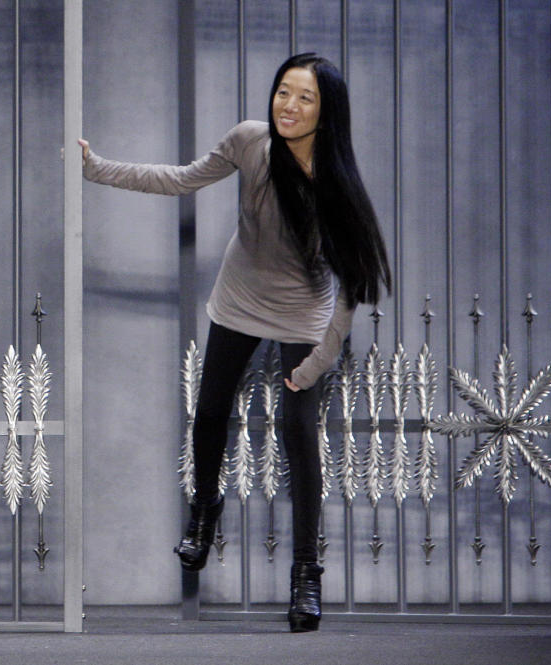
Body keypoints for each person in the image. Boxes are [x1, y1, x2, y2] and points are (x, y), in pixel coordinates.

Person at [78, 53, 391, 632]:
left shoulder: (336, 185)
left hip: (305, 314)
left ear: (328, 114)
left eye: (306, 99)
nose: (289, 107)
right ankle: (205, 509)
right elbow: (179, 179)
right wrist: (96, 167)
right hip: (241, 296)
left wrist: (320, 359)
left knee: (299, 438)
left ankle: (305, 575)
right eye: (283, 92)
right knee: (210, 412)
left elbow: (354, 289)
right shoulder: (251, 142)